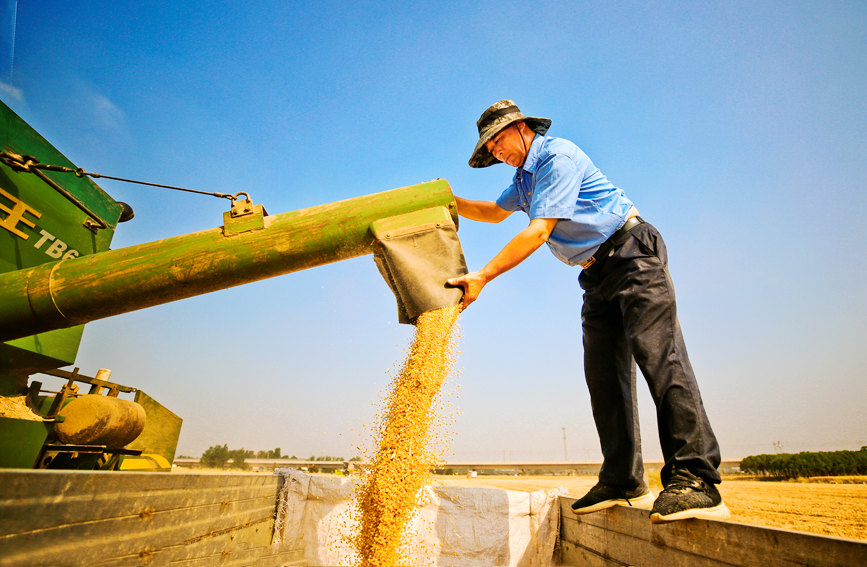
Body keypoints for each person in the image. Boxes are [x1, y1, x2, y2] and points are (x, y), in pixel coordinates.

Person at [447, 100, 730, 523]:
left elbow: (539, 229)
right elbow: (491, 212)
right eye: (489, 147)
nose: (496, 151)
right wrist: (448, 200)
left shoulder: (557, 156)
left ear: (522, 127)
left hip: (632, 253)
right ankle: (622, 480)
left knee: (659, 358)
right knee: (603, 374)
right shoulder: (523, 181)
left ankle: (696, 479)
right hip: (595, 273)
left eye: (499, 140)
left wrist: (482, 276)